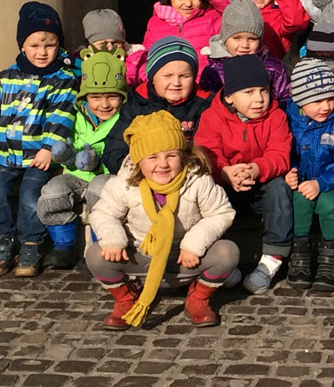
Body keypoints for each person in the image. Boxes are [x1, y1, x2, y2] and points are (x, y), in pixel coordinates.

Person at [85, 111, 238, 328]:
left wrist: (193, 245)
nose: (163, 164)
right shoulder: (124, 183)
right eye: (152, 157)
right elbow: (103, 213)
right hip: (142, 256)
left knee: (227, 252)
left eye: (171, 155)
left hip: (183, 258)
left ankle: (198, 298)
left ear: (183, 155)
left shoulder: (198, 180)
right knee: (95, 254)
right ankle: (126, 298)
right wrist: (113, 240)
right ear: (138, 160)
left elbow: (221, 213)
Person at [0, 2, 76, 277]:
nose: (42, 52)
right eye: (35, 45)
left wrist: (48, 148)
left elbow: (61, 117)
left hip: (39, 155)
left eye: (50, 45)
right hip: (8, 154)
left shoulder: (61, 80)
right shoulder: (4, 78)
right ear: (22, 45)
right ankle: (3, 241)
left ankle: (31, 243)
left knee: (28, 196)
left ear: (59, 45)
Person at [194, 55, 294, 295]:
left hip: (260, 182)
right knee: (203, 189)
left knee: (280, 189)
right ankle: (219, 259)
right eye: (248, 92)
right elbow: (206, 154)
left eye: (264, 90)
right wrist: (225, 172)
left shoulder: (276, 116)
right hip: (226, 183)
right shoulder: (211, 117)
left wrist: (256, 169)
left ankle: (272, 259)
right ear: (229, 96)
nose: (259, 99)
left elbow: (280, 154)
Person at [37, 48, 128, 269]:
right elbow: (66, 143)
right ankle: (64, 246)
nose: (104, 105)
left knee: (101, 191)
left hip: (107, 175)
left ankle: (99, 248)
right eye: (95, 97)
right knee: (53, 190)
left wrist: (97, 161)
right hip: (76, 175)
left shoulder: (126, 118)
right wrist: (65, 155)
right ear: (85, 97)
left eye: (112, 96)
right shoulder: (76, 116)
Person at [285, 59, 334, 291]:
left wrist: (321, 183)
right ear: (300, 100)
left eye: (329, 98)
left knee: (329, 204)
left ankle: (332, 256)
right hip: (305, 183)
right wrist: (290, 172)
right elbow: (287, 153)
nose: (326, 106)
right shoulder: (291, 119)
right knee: (300, 200)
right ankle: (300, 252)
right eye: (317, 101)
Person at [103, 37, 212, 176]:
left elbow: (207, 150)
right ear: (152, 77)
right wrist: (135, 171)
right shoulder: (137, 104)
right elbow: (115, 147)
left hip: (188, 175)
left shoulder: (203, 106)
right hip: (140, 175)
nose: (176, 82)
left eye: (184, 76)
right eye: (168, 76)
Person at [199, 0, 291, 102]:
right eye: (237, 38)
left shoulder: (273, 67)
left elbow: (283, 99)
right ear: (225, 38)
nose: (245, 45)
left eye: (252, 39)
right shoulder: (214, 70)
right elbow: (206, 103)